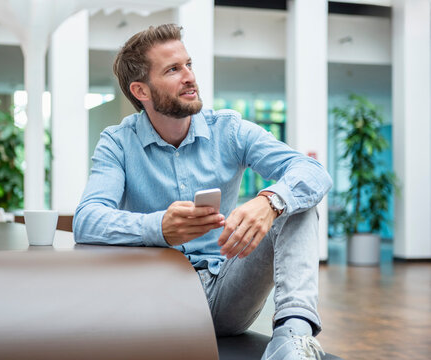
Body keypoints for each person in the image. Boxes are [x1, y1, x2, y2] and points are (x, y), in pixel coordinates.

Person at [73, 24, 333, 360]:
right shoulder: (117, 142)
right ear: (141, 90)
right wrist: (159, 228)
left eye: (189, 65)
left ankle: (293, 340)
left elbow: (312, 172)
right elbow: (87, 220)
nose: (189, 77)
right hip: (159, 298)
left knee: (295, 203)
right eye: (173, 69)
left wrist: (269, 201)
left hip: (228, 292)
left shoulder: (230, 129)